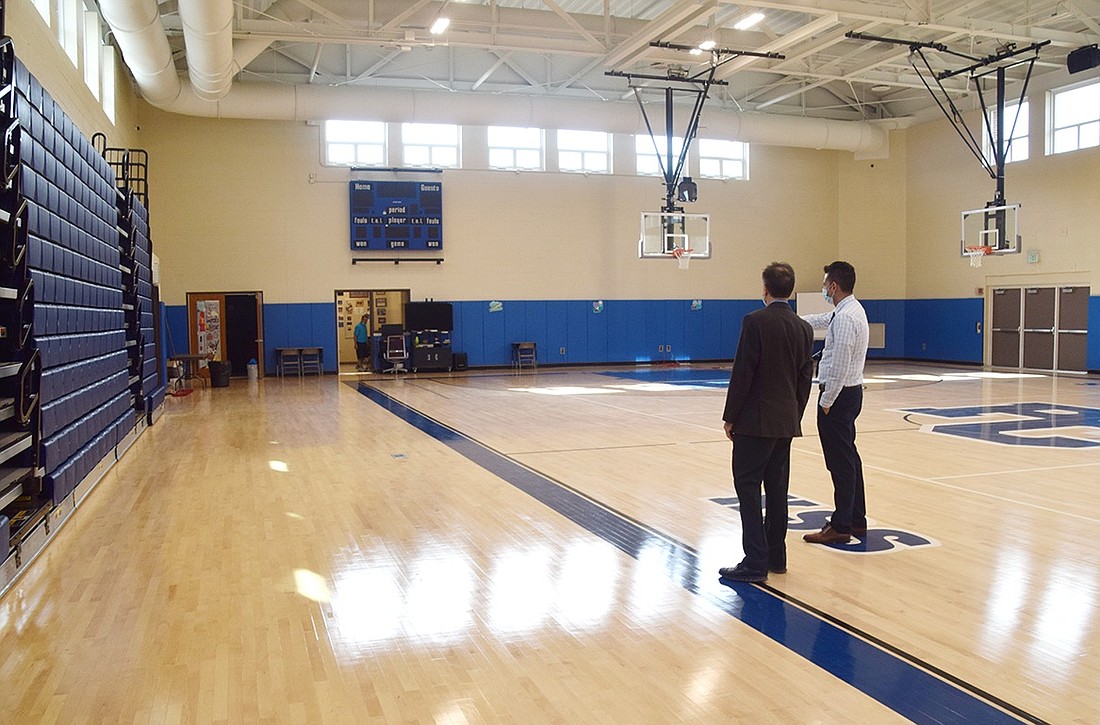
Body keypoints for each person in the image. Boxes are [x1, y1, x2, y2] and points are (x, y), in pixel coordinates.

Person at [719, 262, 814, 583]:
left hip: (755, 423)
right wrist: (794, 414)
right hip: (785, 422)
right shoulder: (804, 328)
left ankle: (755, 562)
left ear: (765, 289)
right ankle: (777, 556)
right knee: (777, 489)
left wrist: (730, 416)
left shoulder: (754, 322)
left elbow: (743, 373)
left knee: (747, 488)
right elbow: (805, 379)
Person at [801, 261, 870, 545]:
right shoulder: (850, 310)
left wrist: (827, 400)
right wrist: (796, 319)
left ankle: (841, 525)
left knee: (840, 462)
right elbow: (822, 319)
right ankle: (856, 518)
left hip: (838, 396)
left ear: (833, 286)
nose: (824, 289)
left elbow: (839, 362)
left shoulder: (844, 318)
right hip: (851, 393)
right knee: (849, 458)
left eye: (825, 284)